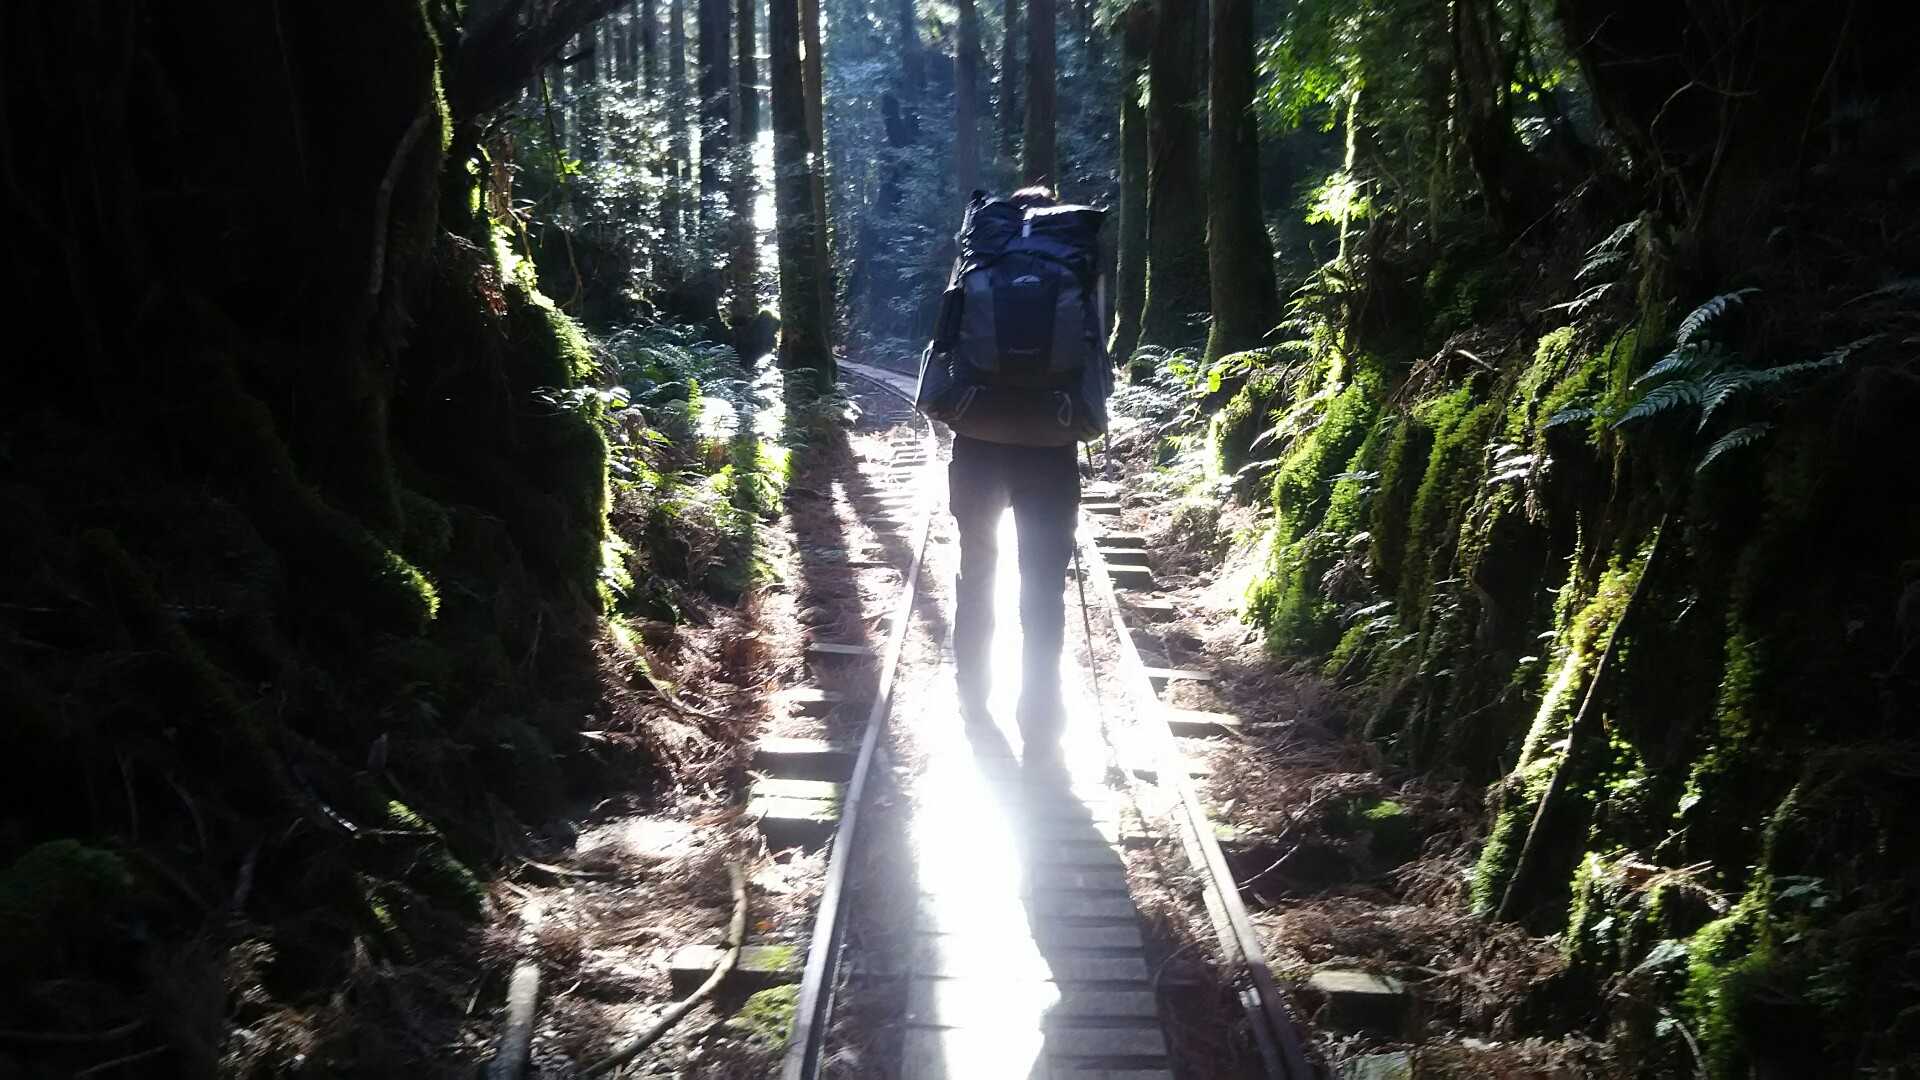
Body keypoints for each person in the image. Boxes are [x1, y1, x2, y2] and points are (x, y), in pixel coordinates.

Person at [936, 186, 1099, 762]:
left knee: (978, 570)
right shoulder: (1072, 260)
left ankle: (973, 692)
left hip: (978, 442)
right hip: (1051, 445)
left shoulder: (981, 255)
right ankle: (1041, 715)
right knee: (1043, 587)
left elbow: (946, 342)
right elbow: (1092, 354)